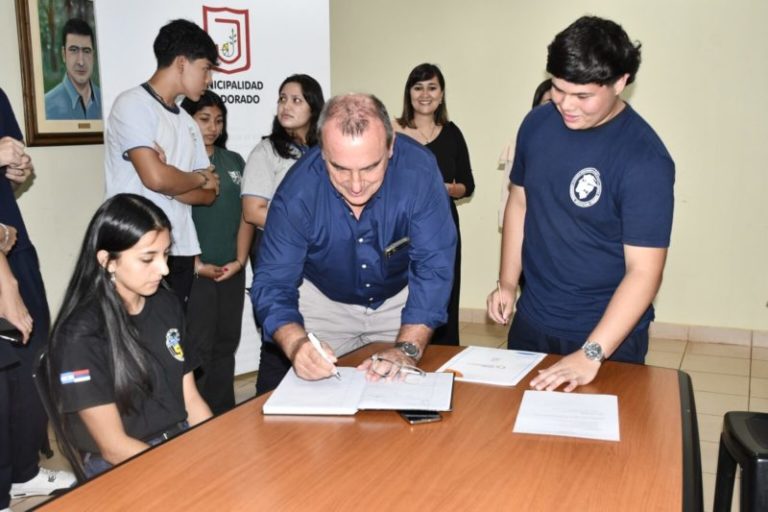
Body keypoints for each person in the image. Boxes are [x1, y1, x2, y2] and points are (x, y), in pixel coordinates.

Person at [487, 16, 675, 392]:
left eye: (582, 96)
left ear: (620, 82)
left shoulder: (645, 159)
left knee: (596, 448)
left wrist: (592, 352)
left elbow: (644, 271)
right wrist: (507, 283)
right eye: (558, 89)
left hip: (606, 334)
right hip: (534, 319)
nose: (566, 105)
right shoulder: (537, 125)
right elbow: (520, 202)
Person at [251, 94, 456, 393]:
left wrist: (408, 349)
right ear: (322, 153)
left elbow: (433, 266)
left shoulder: (420, 173)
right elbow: (273, 281)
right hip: (322, 301)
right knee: (288, 405)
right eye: (341, 169)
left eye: (370, 168)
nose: (356, 185)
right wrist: (296, 344)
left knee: (402, 398)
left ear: (390, 147)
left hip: (398, 301)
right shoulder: (297, 192)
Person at [48, 194, 212, 478]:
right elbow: (113, 447)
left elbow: (191, 400)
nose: (164, 269)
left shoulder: (166, 303)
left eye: (166, 254)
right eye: (148, 258)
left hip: (176, 441)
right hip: (120, 464)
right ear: (108, 261)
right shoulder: (79, 334)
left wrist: (215, 445)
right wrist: (184, 471)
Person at [104, 19, 221, 311]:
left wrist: (174, 178)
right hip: (136, 247)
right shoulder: (133, 105)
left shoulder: (186, 122)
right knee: (134, 340)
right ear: (182, 62)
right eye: (206, 68)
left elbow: (210, 192)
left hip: (180, 247)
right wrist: (193, 178)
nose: (208, 80)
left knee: (171, 340)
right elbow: (155, 178)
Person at [0, 88, 75, 508]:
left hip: (13, 238)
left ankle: (23, 471)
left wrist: (18, 168)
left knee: (34, 349)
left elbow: (16, 171)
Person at [240, 74, 324, 387]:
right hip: (278, 252)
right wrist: (304, 231)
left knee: (318, 336)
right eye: (282, 98)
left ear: (313, 108)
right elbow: (253, 211)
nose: (286, 106)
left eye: (296, 100)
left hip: (318, 259)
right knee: (279, 338)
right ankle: (268, 407)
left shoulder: (326, 152)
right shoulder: (267, 151)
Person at [181, 91, 253, 414]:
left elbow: (245, 216)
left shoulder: (234, 161)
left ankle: (224, 415)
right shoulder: (179, 166)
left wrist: (239, 261)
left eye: (218, 120)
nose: (212, 127)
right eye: (204, 119)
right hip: (196, 273)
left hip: (231, 272)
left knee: (227, 344)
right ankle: (197, 419)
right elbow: (173, 220)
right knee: (198, 349)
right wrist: (196, 265)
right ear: (188, 120)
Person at [394, 63, 474, 346]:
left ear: (441, 94)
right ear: (409, 93)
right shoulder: (393, 131)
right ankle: (403, 346)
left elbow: (468, 185)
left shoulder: (452, 133)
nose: (425, 94)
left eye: (432, 87)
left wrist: (447, 189)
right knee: (403, 289)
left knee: (443, 289)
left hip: (443, 222)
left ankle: (444, 351)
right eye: (418, 87)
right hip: (400, 226)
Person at [44, 18, 102, 120]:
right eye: (74, 50)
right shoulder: (46, 106)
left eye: (86, 51)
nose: (81, 62)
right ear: (63, 54)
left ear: (93, 55)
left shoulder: (105, 101)